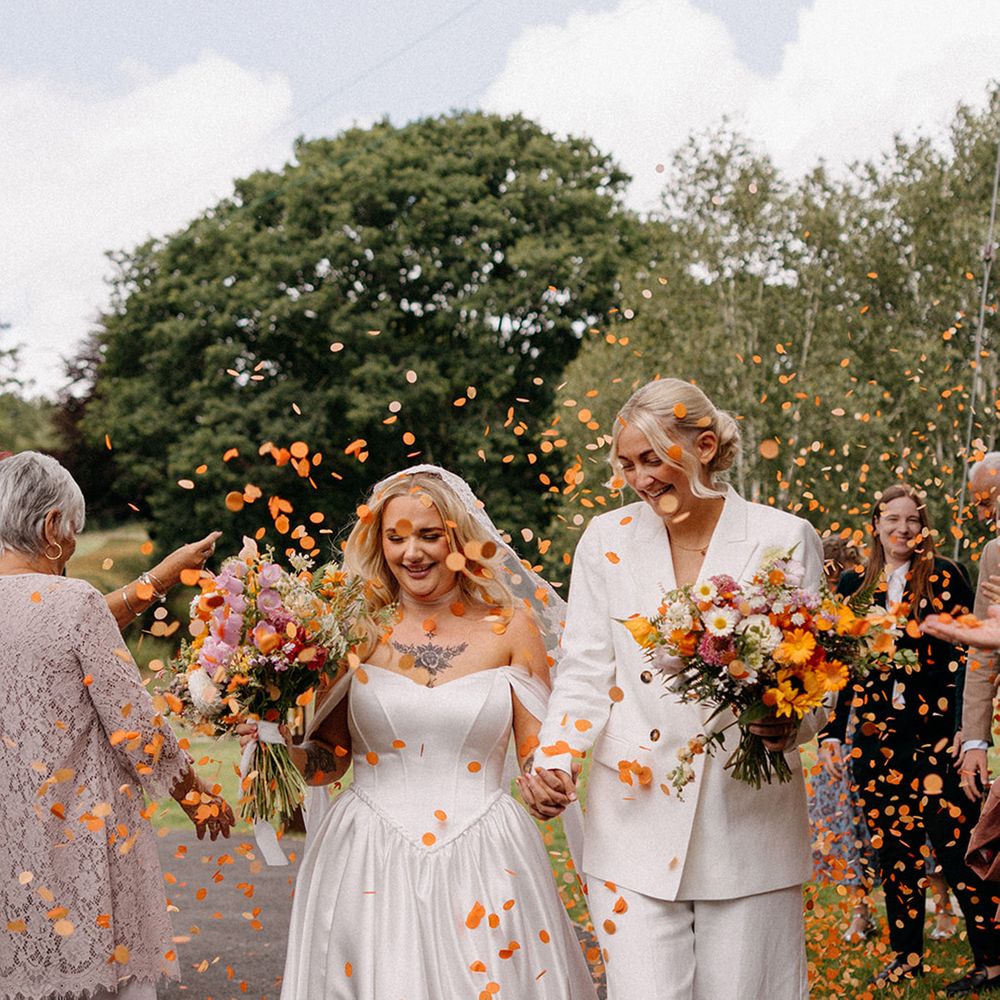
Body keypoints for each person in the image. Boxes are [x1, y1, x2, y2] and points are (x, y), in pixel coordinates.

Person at [240, 465, 597, 999]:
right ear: (379, 543)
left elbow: (536, 752)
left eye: (430, 535)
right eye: (396, 537)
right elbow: (329, 759)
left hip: (488, 854)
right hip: (368, 858)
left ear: (460, 538)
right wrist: (277, 748)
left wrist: (546, 782)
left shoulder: (512, 627)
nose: (413, 553)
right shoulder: (354, 631)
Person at [524, 378, 827, 1000]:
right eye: (626, 463)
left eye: (653, 458)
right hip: (630, 817)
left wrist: (788, 724)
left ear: (706, 446)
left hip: (746, 818)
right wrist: (555, 759)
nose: (639, 477)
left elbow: (813, 681)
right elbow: (584, 672)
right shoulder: (604, 540)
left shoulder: (784, 536)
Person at [0, 451, 234, 1000]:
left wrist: (160, 575)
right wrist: (197, 797)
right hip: (77, 847)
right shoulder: (74, 602)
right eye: (74, 530)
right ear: (53, 525)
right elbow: (138, 730)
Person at [821, 482, 998, 994]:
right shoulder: (857, 585)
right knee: (894, 856)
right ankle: (906, 957)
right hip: (875, 743)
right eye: (892, 519)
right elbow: (844, 669)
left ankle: (991, 959)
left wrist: (969, 733)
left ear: (924, 528)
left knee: (956, 849)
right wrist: (834, 733)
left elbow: (975, 656)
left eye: (912, 520)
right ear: (875, 523)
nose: (902, 529)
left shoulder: (946, 576)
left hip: (938, 739)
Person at [810, 535, 878, 941]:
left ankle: (939, 906)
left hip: (866, 715)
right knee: (842, 820)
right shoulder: (807, 613)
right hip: (831, 723)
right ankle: (860, 912)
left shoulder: (862, 605)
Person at [956, 453, 1000, 807]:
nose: (984, 516)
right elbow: (982, 650)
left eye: (986, 502)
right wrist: (974, 740)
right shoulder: (994, 554)